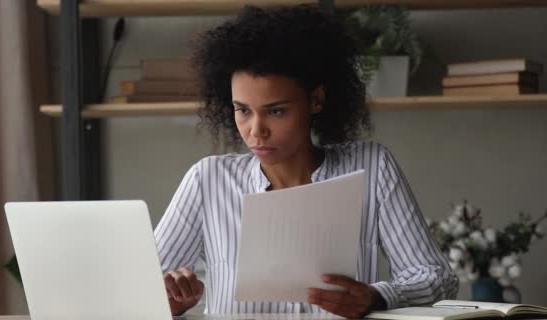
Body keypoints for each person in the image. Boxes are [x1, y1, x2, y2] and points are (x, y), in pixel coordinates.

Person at [154, 5, 458, 318]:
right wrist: (171, 302)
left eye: (276, 111)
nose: (256, 131)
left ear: (316, 99)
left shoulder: (372, 168)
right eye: (242, 110)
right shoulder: (208, 181)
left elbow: (437, 278)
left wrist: (377, 297)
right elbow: (138, 287)